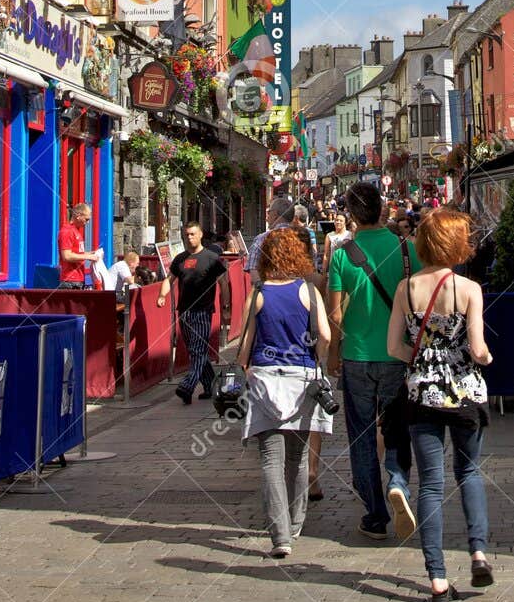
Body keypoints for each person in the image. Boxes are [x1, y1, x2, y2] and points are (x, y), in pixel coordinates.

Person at [387, 207, 493, 602]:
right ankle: (478, 552)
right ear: (457, 244)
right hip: (465, 394)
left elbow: (393, 346)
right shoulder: (468, 289)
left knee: (431, 484)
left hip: (421, 395)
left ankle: (436, 579)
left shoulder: (406, 288)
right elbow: (478, 348)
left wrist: (420, 362)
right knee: (469, 472)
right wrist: (483, 359)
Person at [236, 228, 334, 558]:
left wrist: (247, 371)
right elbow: (325, 335)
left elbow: (245, 344)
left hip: (266, 377)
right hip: (302, 378)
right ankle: (296, 522)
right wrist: (316, 358)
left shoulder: (259, 293)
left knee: (270, 460)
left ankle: (280, 536)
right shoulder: (308, 291)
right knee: (297, 457)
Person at [328, 181, 415, 541]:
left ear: (351, 214)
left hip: (357, 356)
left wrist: (333, 357)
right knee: (397, 427)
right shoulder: (407, 248)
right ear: (382, 208)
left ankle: (375, 514)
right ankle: (396, 480)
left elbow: (335, 315)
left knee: (362, 436)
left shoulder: (341, 255)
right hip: (398, 354)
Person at [159, 223, 232, 406]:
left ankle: (187, 386)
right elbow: (170, 279)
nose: (189, 238)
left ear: (200, 235)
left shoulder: (211, 258)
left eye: (192, 234)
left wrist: (225, 305)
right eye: (187, 235)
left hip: (203, 310)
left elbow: (223, 282)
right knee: (196, 350)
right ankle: (211, 385)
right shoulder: (180, 259)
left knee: (198, 351)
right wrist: (162, 295)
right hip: (184, 311)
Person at [244, 195, 296, 273]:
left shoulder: (262, 239)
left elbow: (253, 272)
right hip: (299, 284)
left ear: (275, 215)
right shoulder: (303, 238)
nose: (266, 217)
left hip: (271, 283)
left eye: (269, 212)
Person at [57, 203, 99, 288]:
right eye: (86, 219)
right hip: (70, 280)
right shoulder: (67, 231)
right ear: (78, 216)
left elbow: (76, 253)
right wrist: (88, 257)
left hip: (78, 278)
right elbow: (66, 256)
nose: (87, 222)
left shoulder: (75, 231)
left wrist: (89, 254)